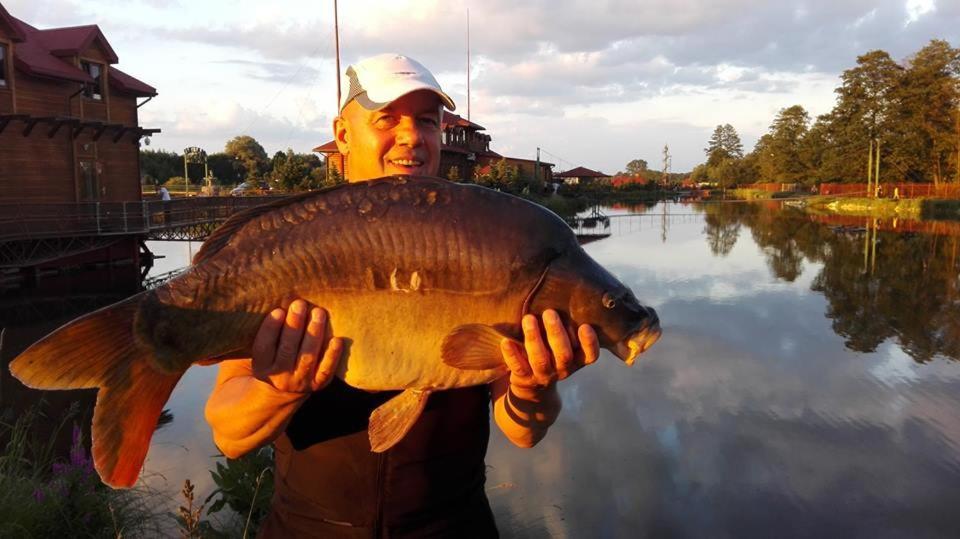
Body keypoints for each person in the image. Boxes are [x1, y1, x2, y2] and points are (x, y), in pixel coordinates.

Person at [204, 54, 600, 538]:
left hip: (453, 527)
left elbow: (523, 430)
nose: (412, 136)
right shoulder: (294, 244)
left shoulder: (487, 238)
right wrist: (278, 386)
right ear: (344, 135)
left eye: (428, 122)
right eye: (387, 118)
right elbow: (229, 433)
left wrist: (534, 383)